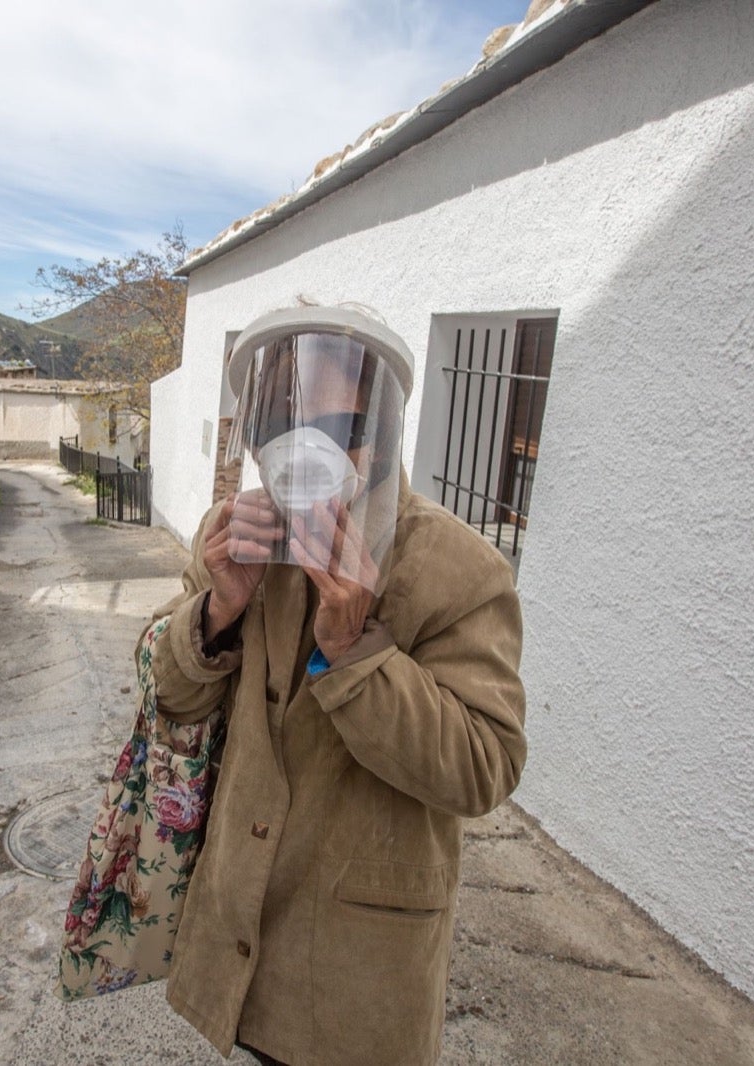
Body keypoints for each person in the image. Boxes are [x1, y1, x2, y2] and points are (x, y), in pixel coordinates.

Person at [150, 305, 528, 1066]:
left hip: (358, 956)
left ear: (384, 430)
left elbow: (486, 767)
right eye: (285, 424)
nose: (310, 448)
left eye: (340, 423)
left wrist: (356, 652)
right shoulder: (235, 538)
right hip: (240, 921)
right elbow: (170, 696)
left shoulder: (460, 569)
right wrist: (219, 606)